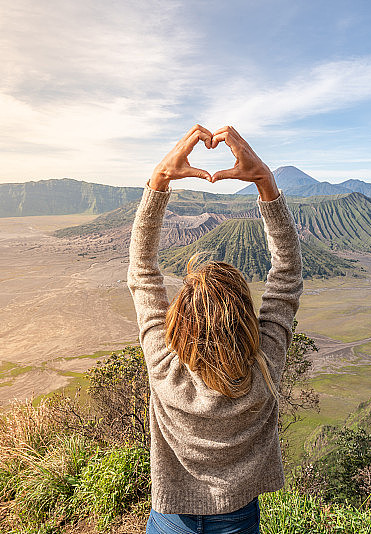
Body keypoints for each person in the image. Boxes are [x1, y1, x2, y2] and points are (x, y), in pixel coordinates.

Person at [127, 124, 303, 534]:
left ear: (178, 322)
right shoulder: (264, 365)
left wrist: (159, 181)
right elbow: (288, 274)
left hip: (171, 515)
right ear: (245, 317)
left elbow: (142, 272)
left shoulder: (164, 365)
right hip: (238, 515)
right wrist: (265, 182)